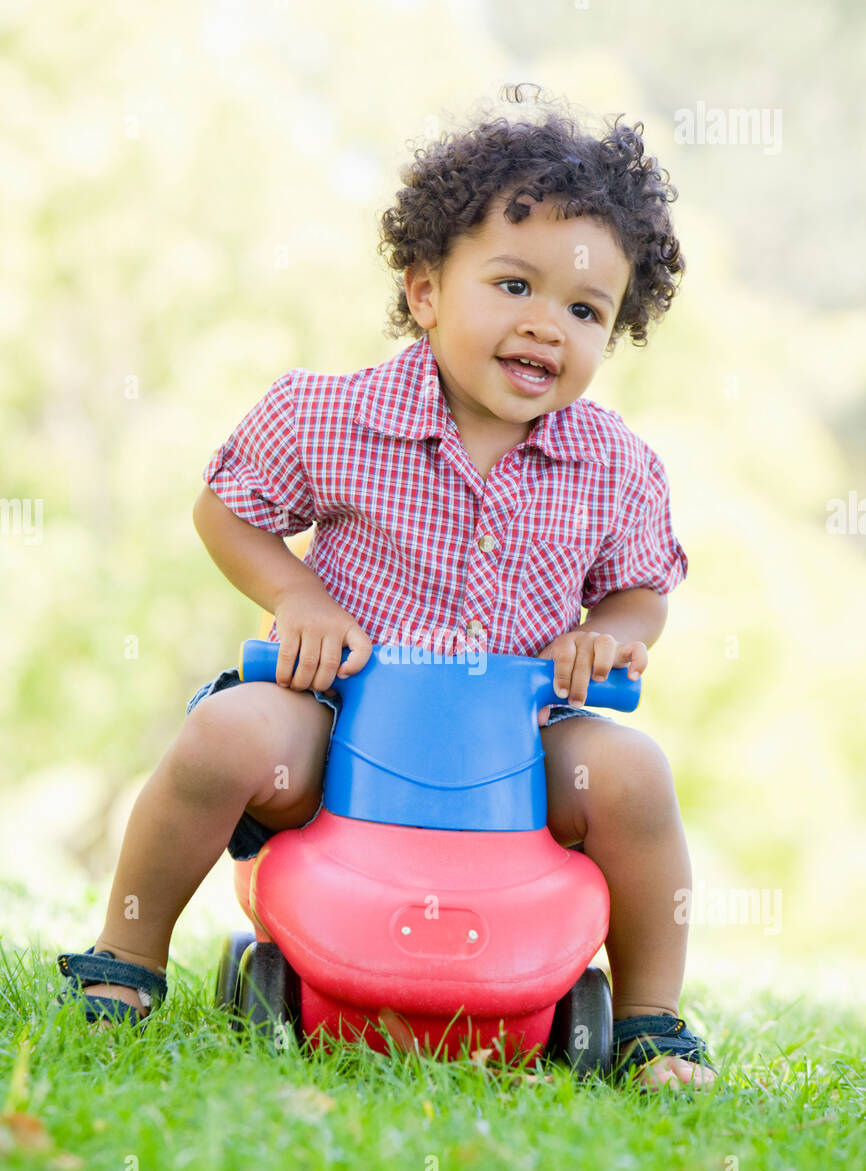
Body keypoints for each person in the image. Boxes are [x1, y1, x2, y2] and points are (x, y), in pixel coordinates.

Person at [57, 89, 716, 1090]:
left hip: (520, 737)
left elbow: (638, 593)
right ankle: (125, 959)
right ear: (422, 291)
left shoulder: (616, 465)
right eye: (512, 285)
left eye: (584, 310)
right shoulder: (332, 416)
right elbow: (225, 509)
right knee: (226, 734)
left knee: (631, 772)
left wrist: (610, 637)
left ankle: (647, 1017)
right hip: (342, 714)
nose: (547, 325)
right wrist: (297, 598)